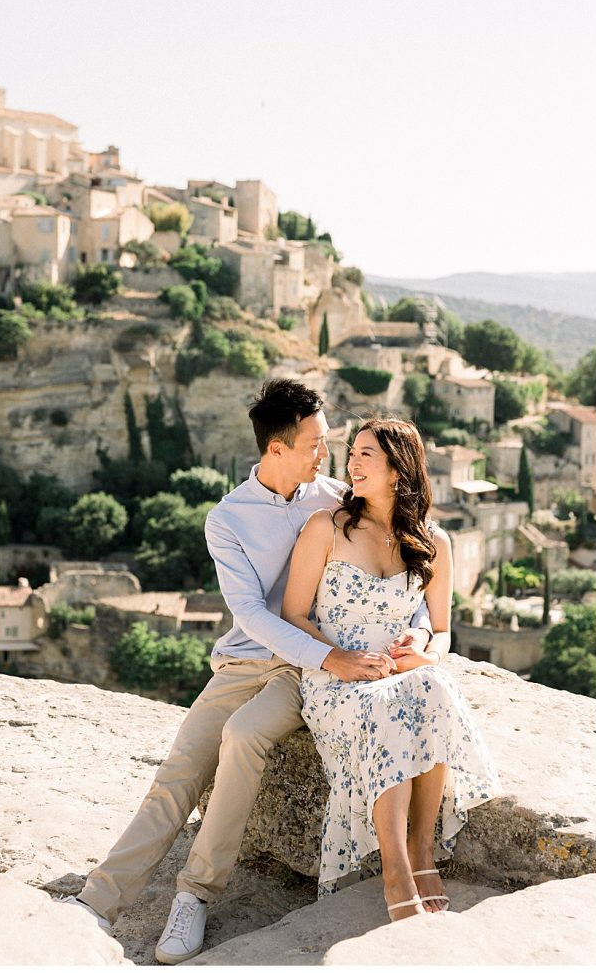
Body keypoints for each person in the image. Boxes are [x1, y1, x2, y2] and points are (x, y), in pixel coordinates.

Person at [64, 381, 432, 961]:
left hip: (301, 667)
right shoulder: (227, 519)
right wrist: (333, 656)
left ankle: (195, 895)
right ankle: (95, 903)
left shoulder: (337, 500)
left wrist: (414, 631)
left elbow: (410, 553)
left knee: (242, 739)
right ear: (277, 449)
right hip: (246, 657)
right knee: (180, 769)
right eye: (315, 442)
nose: (327, 453)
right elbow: (251, 614)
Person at [282, 417, 499, 921]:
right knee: (387, 706)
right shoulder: (327, 528)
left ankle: (423, 850)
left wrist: (425, 653)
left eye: (366, 456)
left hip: (400, 673)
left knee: (434, 688)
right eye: (351, 454)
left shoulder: (435, 542)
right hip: (335, 676)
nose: (351, 465)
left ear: (399, 470)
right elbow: (292, 616)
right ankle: (397, 870)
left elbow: (442, 631)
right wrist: (343, 659)